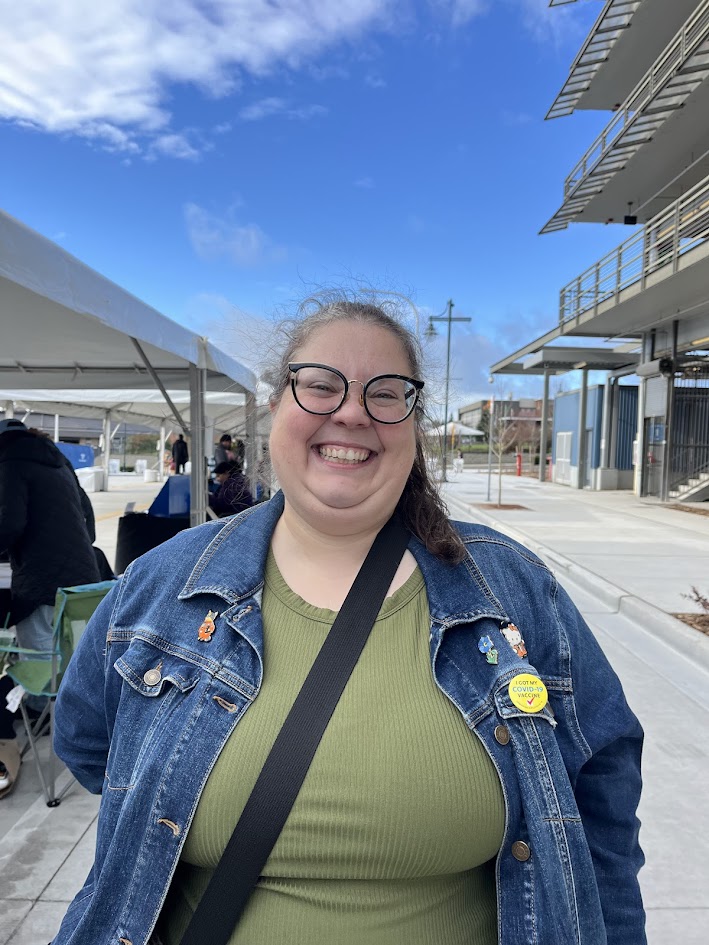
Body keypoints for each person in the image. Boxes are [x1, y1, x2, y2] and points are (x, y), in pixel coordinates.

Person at [52, 298, 646, 945]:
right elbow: (87, 739)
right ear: (276, 405)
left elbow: (600, 787)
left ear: (413, 423)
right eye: (318, 384)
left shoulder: (511, 586)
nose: (352, 410)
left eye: (386, 392)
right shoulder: (163, 586)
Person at [0, 418, 100, 795]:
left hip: (41, 582)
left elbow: (8, 523)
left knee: (40, 661)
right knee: (70, 658)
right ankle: (73, 721)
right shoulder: (59, 461)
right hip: (84, 580)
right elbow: (88, 523)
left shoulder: (11, 462)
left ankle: (43, 720)